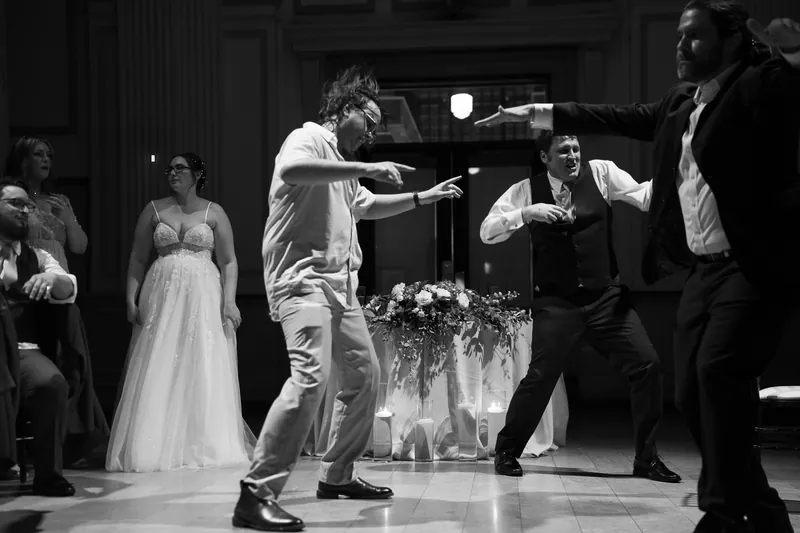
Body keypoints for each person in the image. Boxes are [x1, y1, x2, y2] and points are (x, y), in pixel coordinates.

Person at [475, 2, 800, 532]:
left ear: (732, 40)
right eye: (679, 35)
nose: (680, 46)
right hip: (592, 295)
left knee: (689, 372)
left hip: (711, 274)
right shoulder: (678, 105)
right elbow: (613, 116)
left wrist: (791, 57)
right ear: (546, 158)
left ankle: (708, 502)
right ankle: (757, 509)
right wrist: (535, 124)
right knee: (685, 391)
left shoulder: (756, 87)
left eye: (695, 37)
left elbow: (651, 193)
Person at [232, 66, 463, 532]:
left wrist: (422, 198)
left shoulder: (341, 163)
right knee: (310, 378)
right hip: (302, 282)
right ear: (342, 110)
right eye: (369, 121)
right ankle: (256, 493)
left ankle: (336, 474)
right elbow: (292, 170)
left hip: (341, 287)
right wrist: (366, 168)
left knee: (364, 375)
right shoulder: (308, 139)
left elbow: (365, 206)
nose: (372, 134)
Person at [480, 132, 679, 484]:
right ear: (545, 157)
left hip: (606, 299)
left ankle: (647, 459)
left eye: (576, 149)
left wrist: (681, 174)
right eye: (563, 151)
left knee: (647, 364)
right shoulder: (526, 190)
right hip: (556, 303)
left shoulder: (602, 172)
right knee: (540, 377)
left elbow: (645, 197)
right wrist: (526, 213)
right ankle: (507, 451)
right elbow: (487, 231)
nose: (573, 156)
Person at [106, 152, 256, 472]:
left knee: (201, 356)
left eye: (180, 168)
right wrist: (131, 299)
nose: (172, 174)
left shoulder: (214, 212)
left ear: (197, 174)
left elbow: (229, 261)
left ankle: (202, 442)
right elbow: (137, 257)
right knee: (160, 357)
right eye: (169, 169)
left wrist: (229, 301)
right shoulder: (154, 209)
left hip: (203, 292)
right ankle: (155, 443)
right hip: (162, 291)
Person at [0, 179, 78, 496]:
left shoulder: (38, 256)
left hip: (22, 349)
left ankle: (48, 475)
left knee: (51, 383)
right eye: (15, 203)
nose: (24, 210)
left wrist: (51, 279)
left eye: (27, 205)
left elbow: (68, 287)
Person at [3, 136, 88, 271]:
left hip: (58, 274)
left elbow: (80, 248)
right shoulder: (11, 198)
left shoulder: (60, 201)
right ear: (23, 161)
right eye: (38, 154)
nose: (46, 159)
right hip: (26, 272)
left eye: (49, 155)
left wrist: (69, 220)